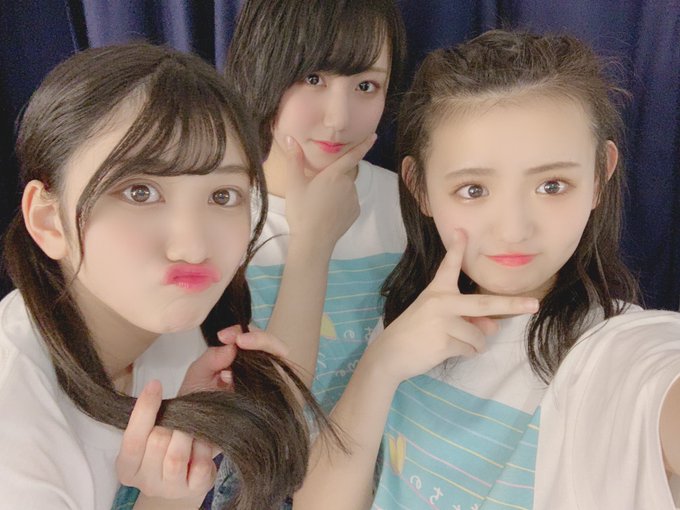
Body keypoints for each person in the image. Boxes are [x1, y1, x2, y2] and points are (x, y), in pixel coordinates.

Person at [294, 30, 680, 509]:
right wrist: (381, 364)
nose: (514, 230)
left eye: (552, 185)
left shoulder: (619, 353)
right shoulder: (406, 325)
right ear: (420, 188)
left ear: (600, 176)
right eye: (474, 190)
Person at [0, 42, 327, 510]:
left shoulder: (184, 336)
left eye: (222, 196)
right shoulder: (14, 429)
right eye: (140, 192)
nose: (192, 248)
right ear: (49, 220)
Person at [225, 0, 408, 407]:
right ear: (261, 68)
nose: (338, 119)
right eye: (313, 79)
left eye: (366, 86)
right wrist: (313, 243)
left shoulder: (408, 205)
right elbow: (275, 412)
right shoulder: (215, 215)